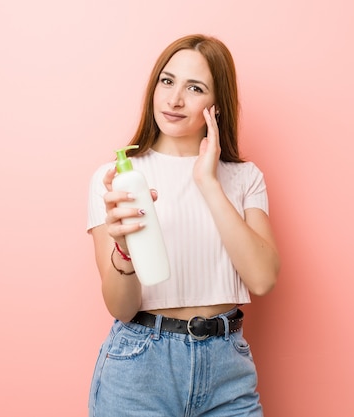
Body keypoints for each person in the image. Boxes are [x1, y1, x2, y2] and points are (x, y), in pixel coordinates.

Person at [86, 34, 280, 417]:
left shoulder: (244, 178)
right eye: (167, 81)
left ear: (217, 105)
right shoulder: (114, 179)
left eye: (195, 88)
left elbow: (262, 279)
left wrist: (209, 183)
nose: (174, 100)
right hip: (139, 367)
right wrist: (124, 249)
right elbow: (120, 308)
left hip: (228, 371)